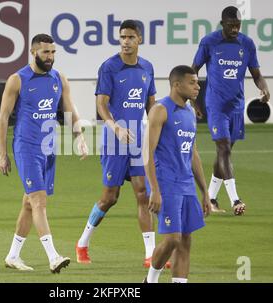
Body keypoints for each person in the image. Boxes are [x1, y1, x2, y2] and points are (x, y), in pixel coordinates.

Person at [75, 20, 170, 269]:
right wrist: (115, 126)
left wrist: (158, 128)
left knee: (143, 193)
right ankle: (83, 242)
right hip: (113, 141)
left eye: (130, 37)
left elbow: (152, 105)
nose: (126, 41)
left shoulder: (147, 67)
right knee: (110, 197)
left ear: (140, 39)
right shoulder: (109, 67)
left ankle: (150, 254)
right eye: (122, 37)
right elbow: (101, 104)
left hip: (138, 140)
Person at [0, 34, 88, 274]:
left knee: (29, 204)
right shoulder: (18, 80)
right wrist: (2, 154)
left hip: (49, 148)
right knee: (39, 200)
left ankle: (13, 256)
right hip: (26, 148)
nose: (50, 57)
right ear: (33, 52)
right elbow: (3, 117)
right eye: (46, 52)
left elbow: (69, 111)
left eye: (53, 52)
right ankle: (53, 256)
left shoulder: (59, 79)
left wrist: (79, 137)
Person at [192, 6, 270, 215]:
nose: (235, 30)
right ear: (222, 24)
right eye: (231, 26)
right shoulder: (209, 42)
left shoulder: (247, 44)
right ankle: (236, 199)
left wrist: (264, 88)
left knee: (224, 153)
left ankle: (211, 199)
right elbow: (193, 71)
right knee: (224, 148)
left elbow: (256, 74)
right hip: (216, 104)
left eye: (238, 26)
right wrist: (193, 100)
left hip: (236, 106)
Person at [143, 65, 210, 283]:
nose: (197, 87)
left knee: (186, 240)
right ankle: (150, 280)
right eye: (192, 82)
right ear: (176, 84)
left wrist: (205, 192)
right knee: (172, 239)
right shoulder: (160, 110)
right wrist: (154, 189)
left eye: (197, 82)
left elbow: (192, 153)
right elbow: (147, 152)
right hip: (166, 183)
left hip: (186, 183)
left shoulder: (190, 112)